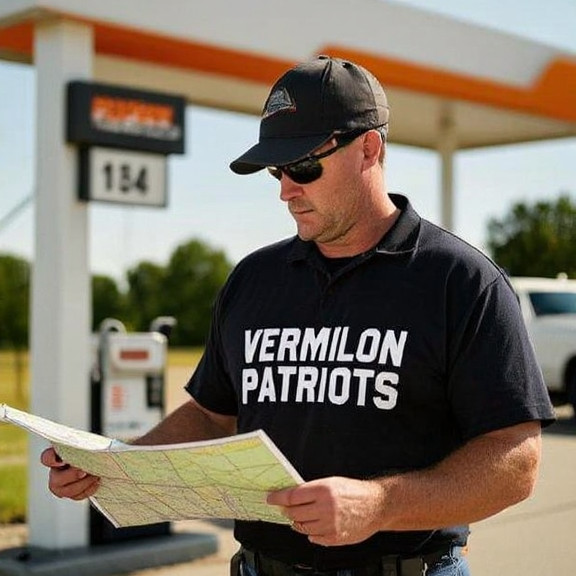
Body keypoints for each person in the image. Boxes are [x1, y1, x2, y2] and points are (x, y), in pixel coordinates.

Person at [42, 56, 555, 576]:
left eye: (304, 167)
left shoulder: (460, 281)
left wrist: (379, 505)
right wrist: (121, 465)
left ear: (369, 149)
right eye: (276, 171)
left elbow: (515, 459)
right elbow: (212, 414)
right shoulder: (254, 279)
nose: (286, 189)